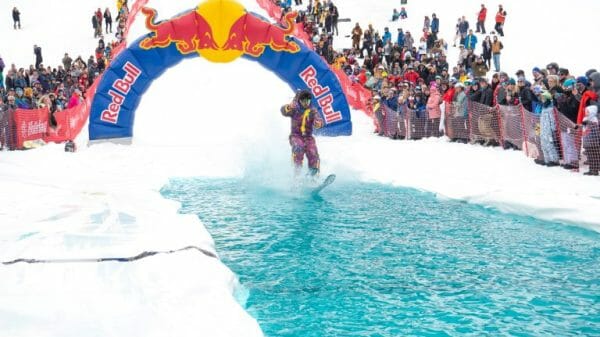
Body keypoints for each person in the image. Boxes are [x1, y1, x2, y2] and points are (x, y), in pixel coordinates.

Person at [280, 89, 323, 179]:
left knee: (313, 152)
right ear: (299, 100)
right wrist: (288, 107)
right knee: (298, 147)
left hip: (308, 137)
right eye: (303, 101)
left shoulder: (312, 110)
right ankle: (297, 172)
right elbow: (284, 111)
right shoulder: (295, 108)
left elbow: (318, 119)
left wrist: (318, 123)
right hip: (296, 136)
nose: (306, 103)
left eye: (308, 101)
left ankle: (313, 175)